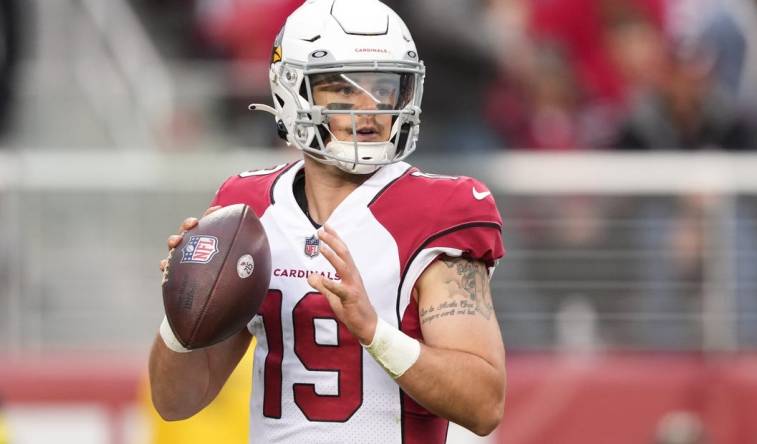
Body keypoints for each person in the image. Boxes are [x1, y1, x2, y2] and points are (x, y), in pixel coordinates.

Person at [148, 1, 507, 443]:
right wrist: (184, 307)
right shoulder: (248, 208)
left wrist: (375, 333)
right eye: (344, 88)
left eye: (384, 86)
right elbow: (175, 402)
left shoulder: (440, 210)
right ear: (292, 91)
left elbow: (484, 403)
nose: (370, 107)